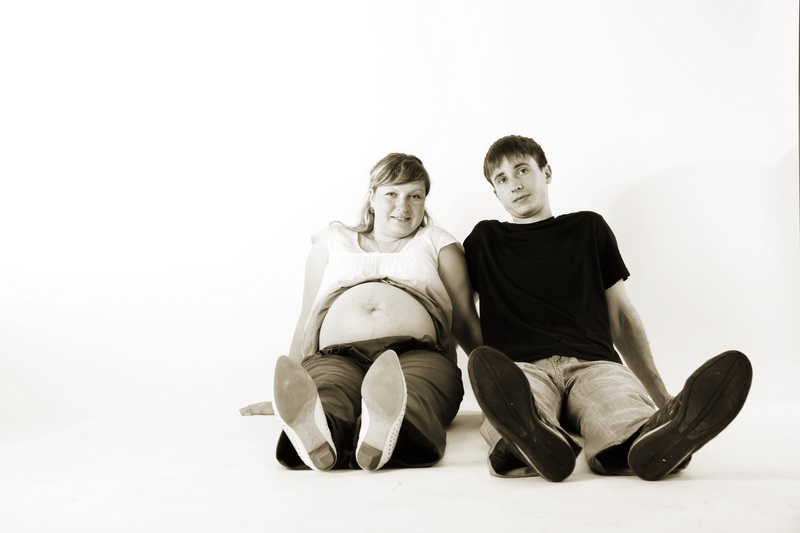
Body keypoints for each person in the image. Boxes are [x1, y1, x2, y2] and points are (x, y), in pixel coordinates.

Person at [463, 135, 752, 482]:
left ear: (547, 172)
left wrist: (662, 397)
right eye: (502, 179)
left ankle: (652, 440)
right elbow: (461, 315)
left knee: (623, 407)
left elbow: (622, 316)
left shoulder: (588, 227)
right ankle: (532, 439)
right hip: (522, 366)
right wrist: (488, 366)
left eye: (522, 170)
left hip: (593, 362)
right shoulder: (484, 239)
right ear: (495, 193)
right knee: (518, 404)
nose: (515, 184)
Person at [241, 153, 481, 472]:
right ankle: (321, 434)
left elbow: (465, 322)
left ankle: (385, 430)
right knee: (329, 392)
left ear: (425, 201)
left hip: (418, 354)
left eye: (415, 196)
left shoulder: (437, 243)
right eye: (392, 193)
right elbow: (306, 316)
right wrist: (285, 391)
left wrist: (499, 388)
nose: (403, 206)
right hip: (336, 356)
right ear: (372, 196)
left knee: (414, 393)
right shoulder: (333, 240)